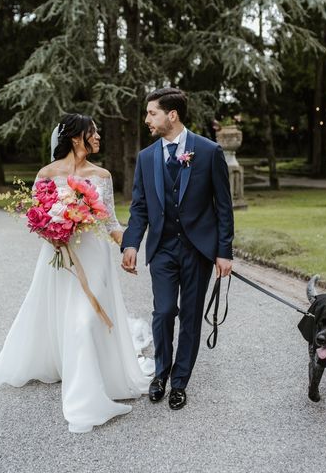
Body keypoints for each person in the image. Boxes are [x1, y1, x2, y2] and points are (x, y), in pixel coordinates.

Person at [0, 113, 153, 433]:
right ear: (77, 138)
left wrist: (130, 248)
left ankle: (83, 402)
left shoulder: (101, 175)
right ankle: (80, 383)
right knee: (67, 318)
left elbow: (111, 222)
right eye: (94, 132)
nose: (99, 137)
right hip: (60, 258)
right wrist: (55, 231)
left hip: (94, 257)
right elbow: (36, 217)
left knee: (84, 321)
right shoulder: (46, 174)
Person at [121, 88, 234, 410]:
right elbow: (139, 206)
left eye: (152, 113)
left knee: (191, 317)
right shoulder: (146, 158)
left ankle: (179, 382)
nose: (147, 119)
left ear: (172, 115)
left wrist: (224, 251)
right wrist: (131, 243)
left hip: (198, 250)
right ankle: (160, 374)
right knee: (164, 311)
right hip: (163, 249)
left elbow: (224, 207)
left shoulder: (209, 151)